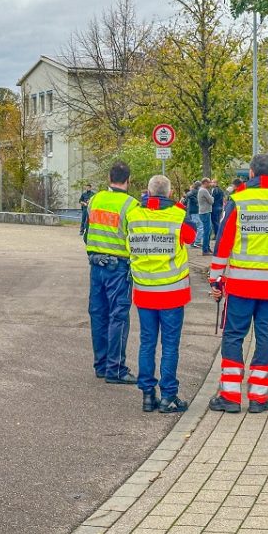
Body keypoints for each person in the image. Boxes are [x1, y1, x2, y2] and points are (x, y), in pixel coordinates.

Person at [208, 154, 268, 414]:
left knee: (233, 336)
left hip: (241, 285)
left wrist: (216, 277)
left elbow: (223, 241)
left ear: (251, 173)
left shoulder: (239, 200)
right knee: (266, 339)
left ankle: (230, 396)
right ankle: (258, 398)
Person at [126, 174, 197, 413]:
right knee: (169, 345)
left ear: (147, 191)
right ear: (168, 193)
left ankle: (147, 395)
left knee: (147, 342)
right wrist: (178, 206)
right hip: (171, 292)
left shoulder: (134, 214)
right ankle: (168, 396)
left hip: (144, 289)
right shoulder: (178, 215)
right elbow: (191, 236)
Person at [84, 161, 138, 384]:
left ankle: (101, 364)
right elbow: (134, 238)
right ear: (128, 180)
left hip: (96, 265)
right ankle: (115, 369)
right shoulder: (131, 205)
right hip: (119, 268)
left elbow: (87, 231)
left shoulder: (95, 200)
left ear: (109, 178)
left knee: (98, 314)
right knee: (118, 316)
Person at [197, 178, 215, 254]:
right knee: (206, 231)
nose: (210, 184)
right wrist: (212, 197)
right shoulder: (204, 190)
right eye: (209, 182)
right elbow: (211, 201)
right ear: (205, 182)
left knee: (209, 230)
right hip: (205, 212)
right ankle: (205, 250)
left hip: (204, 212)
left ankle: (207, 247)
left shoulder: (201, 190)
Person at [186, 181, 203, 248]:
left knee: (197, 226)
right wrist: (197, 201)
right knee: (199, 226)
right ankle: (196, 242)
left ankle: (195, 242)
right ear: (199, 186)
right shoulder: (195, 192)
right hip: (195, 211)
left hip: (193, 211)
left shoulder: (192, 192)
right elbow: (190, 196)